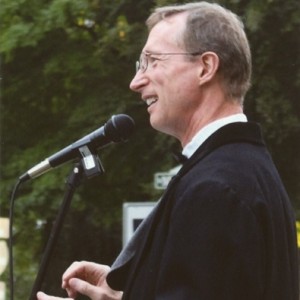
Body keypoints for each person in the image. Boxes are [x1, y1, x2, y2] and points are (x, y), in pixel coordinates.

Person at [37, 2, 299, 300]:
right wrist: (132, 289)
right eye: (140, 65)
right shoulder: (245, 168)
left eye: (152, 61)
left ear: (205, 67)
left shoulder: (215, 189)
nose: (136, 82)